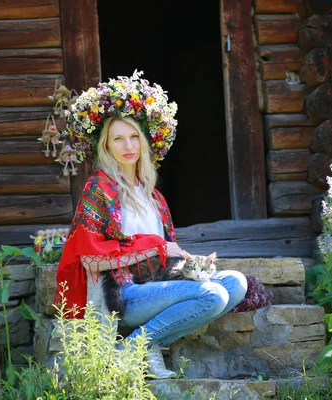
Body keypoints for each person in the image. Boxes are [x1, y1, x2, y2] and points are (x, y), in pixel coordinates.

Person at [54, 71, 247, 379]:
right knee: (213, 296)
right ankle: (136, 348)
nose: (127, 145)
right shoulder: (98, 188)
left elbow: (168, 254)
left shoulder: (154, 195)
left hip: (159, 285)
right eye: (118, 138)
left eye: (134, 137)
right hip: (123, 294)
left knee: (236, 283)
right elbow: (89, 256)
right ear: (106, 145)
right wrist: (153, 247)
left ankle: (138, 346)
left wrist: (180, 261)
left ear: (144, 143)